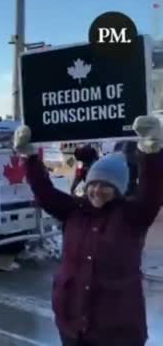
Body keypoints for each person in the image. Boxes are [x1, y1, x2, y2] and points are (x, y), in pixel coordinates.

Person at [13, 116, 163, 346]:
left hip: (117, 332)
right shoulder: (74, 210)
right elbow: (44, 191)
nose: (97, 190)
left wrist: (151, 152)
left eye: (107, 185)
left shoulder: (133, 215)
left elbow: (151, 189)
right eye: (94, 183)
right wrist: (30, 157)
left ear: (119, 189)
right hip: (73, 327)